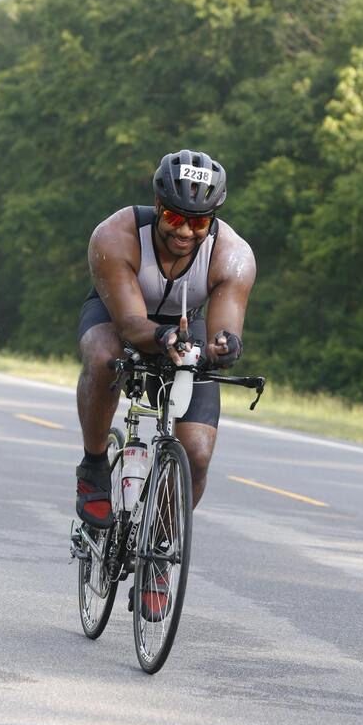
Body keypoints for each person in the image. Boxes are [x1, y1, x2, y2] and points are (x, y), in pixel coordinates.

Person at [76, 148, 256, 528]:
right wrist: (162, 335)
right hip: (121, 317)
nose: (185, 231)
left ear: (213, 219)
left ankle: (160, 545)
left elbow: (224, 329)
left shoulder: (233, 255)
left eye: (199, 222)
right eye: (175, 217)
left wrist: (223, 347)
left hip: (187, 324)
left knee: (198, 454)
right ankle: (93, 465)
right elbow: (129, 325)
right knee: (102, 356)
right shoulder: (115, 235)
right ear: (157, 204)